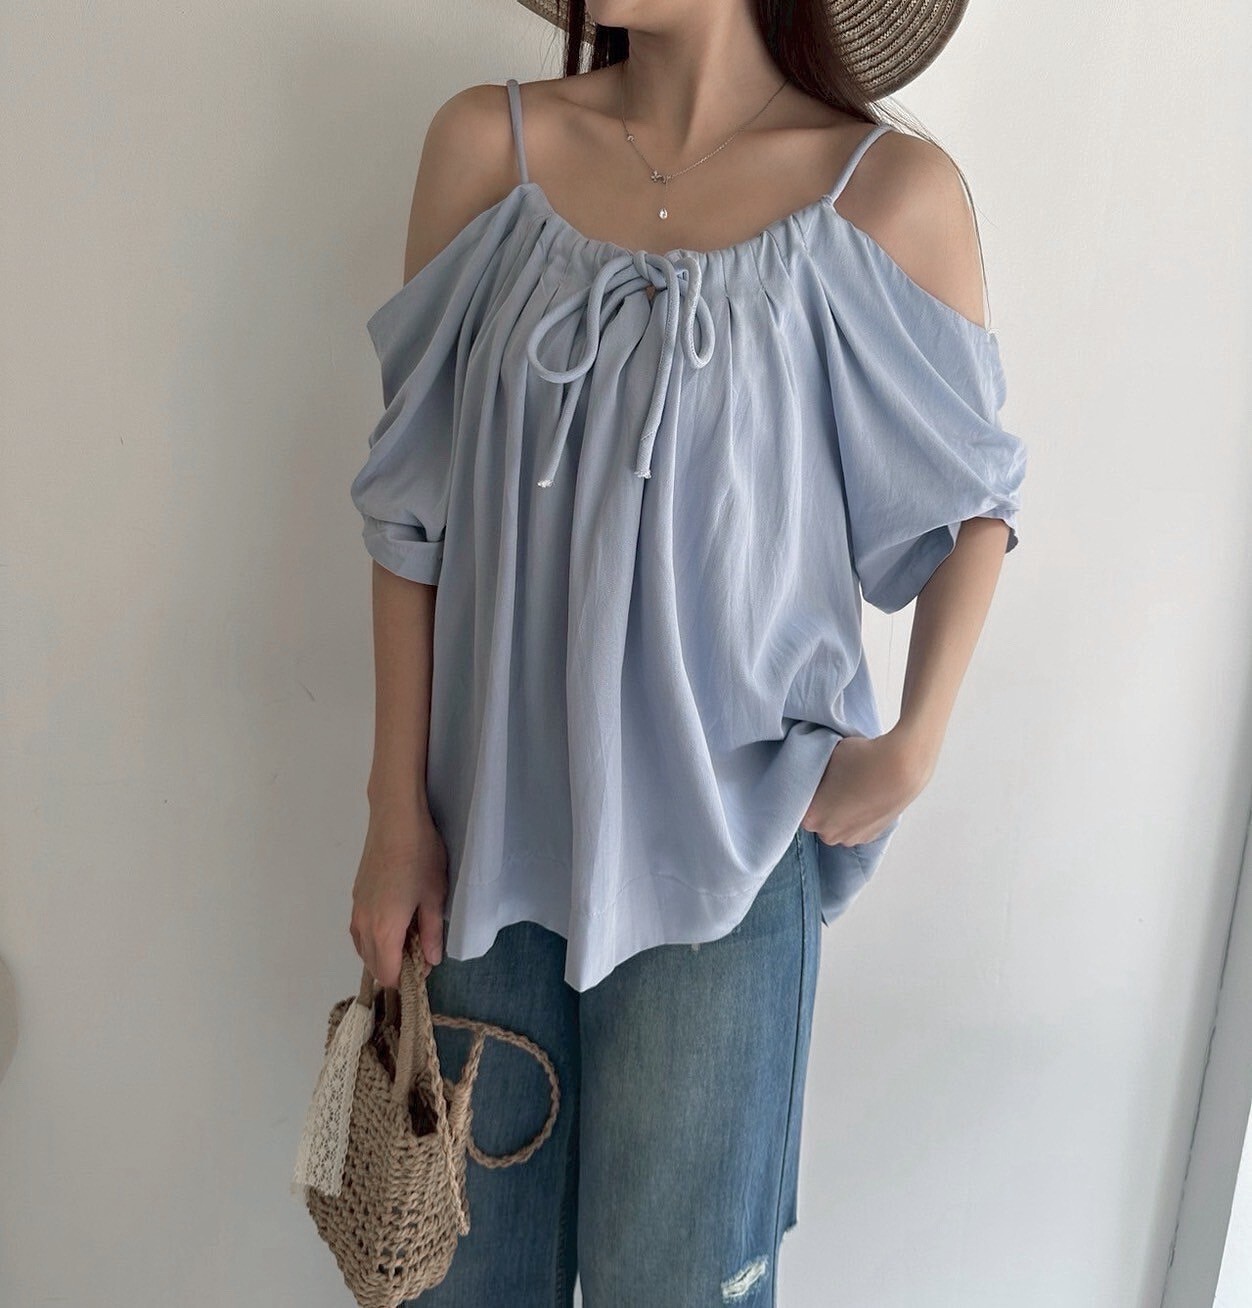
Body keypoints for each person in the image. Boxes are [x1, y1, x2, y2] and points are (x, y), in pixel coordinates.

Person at [346, 2, 1027, 1302]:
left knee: (678, 1287)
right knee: (455, 1281)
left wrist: (912, 750)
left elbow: (971, 503)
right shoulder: (487, 151)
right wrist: (394, 817)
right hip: (483, 851)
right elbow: (407, 512)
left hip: (734, 860)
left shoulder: (885, 195)